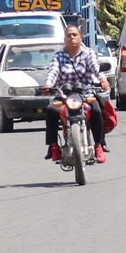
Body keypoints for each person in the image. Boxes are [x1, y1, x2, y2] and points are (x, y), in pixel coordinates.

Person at [43, 23, 116, 165]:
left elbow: (96, 69)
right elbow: (53, 72)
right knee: (51, 110)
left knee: (96, 109)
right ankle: (53, 146)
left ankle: (98, 145)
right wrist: (48, 85)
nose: (72, 38)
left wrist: (102, 80)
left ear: (81, 38)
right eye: (68, 35)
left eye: (74, 35)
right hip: (64, 95)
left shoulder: (89, 53)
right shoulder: (58, 56)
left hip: (86, 92)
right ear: (64, 39)